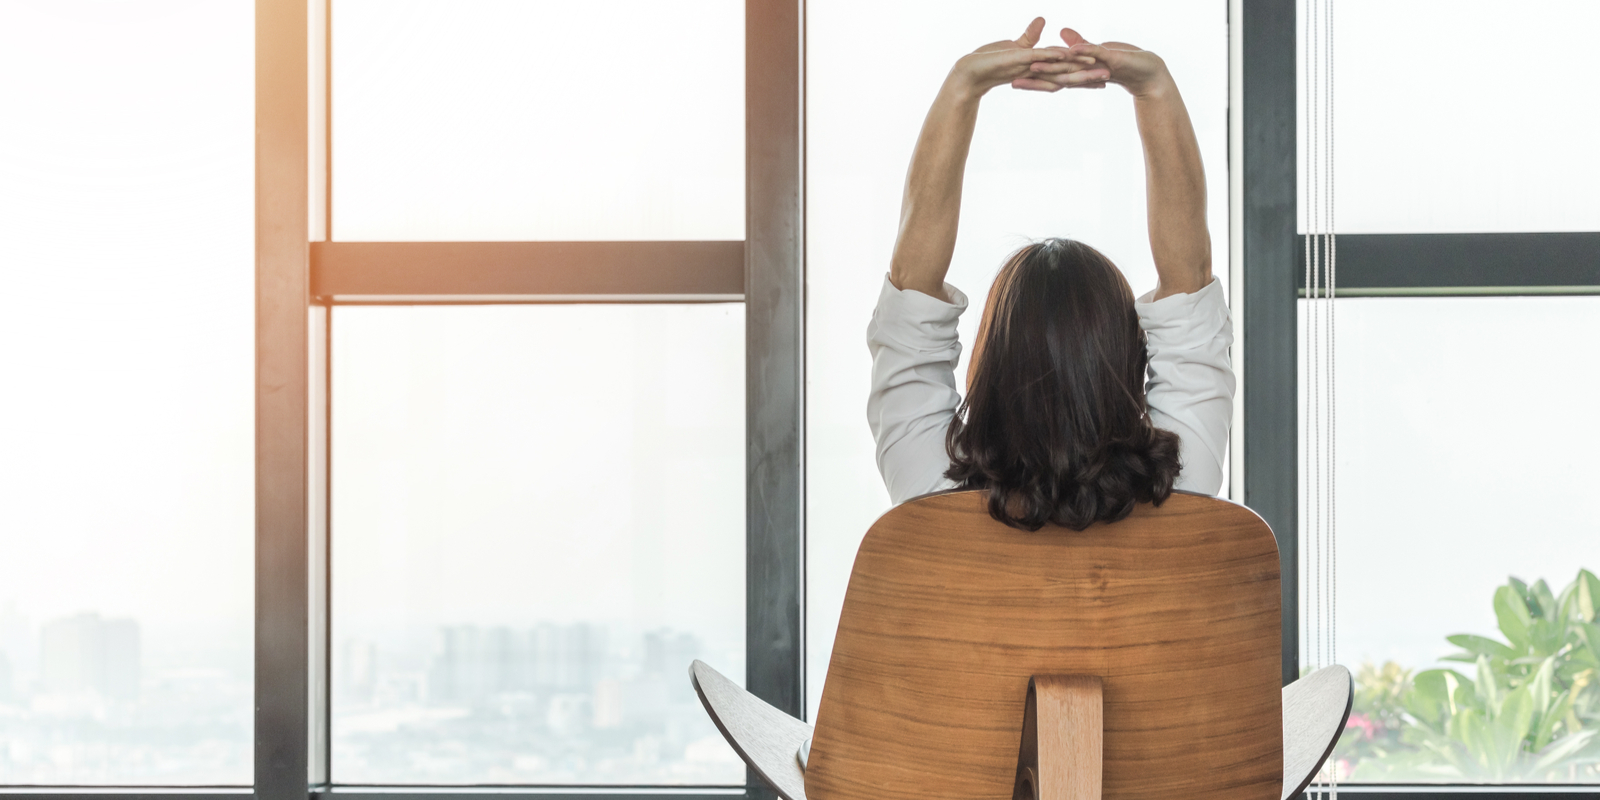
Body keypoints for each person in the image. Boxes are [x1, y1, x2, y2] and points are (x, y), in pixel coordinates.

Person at [867, 18, 1234, 531]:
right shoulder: (1180, 484)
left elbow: (911, 306)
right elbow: (1190, 289)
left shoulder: (930, 488)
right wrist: (1153, 88)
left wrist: (963, 87)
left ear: (991, 362)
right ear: (1127, 352)